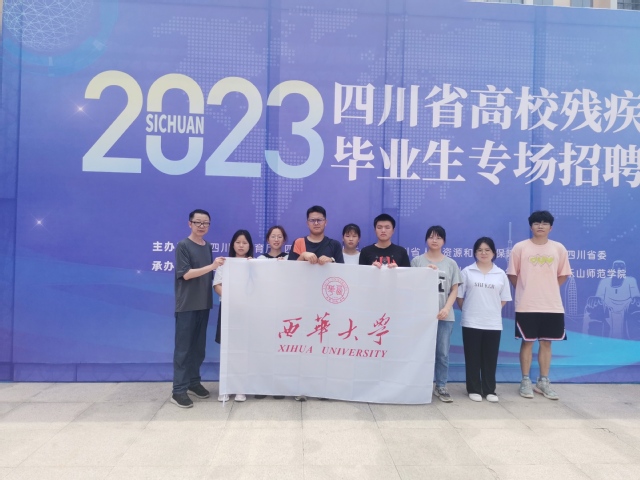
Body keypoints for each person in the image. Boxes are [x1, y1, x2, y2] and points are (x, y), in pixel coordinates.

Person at [507, 210, 571, 401]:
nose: (540, 226)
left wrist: (548, 288)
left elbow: (563, 274)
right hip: (527, 305)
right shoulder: (520, 248)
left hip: (551, 305)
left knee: (546, 342)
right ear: (531, 226)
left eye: (544, 223)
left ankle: (543, 381)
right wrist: (526, 290)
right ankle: (525, 381)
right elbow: (512, 274)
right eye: (536, 223)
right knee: (527, 342)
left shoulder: (558, 248)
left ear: (551, 227)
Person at [289, 206, 344, 401]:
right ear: (307, 223)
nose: (316, 223)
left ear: (326, 222)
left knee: (325, 346)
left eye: (319, 220)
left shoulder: (334, 244)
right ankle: (301, 388)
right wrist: (302, 256)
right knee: (302, 347)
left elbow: (343, 273)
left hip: (326, 305)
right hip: (302, 303)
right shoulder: (299, 243)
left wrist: (331, 261)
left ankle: (324, 388)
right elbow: (288, 272)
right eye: (312, 220)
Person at [171, 209, 225, 409]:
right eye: (198, 222)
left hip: (204, 304)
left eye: (205, 223)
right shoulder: (183, 245)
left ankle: (193, 382)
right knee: (183, 349)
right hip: (187, 305)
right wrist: (212, 266)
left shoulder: (207, 246)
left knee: (198, 348)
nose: (202, 226)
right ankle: (178, 390)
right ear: (190, 224)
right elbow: (186, 274)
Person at [457, 237, 511, 403]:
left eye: (487, 250)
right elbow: (459, 296)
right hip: (471, 321)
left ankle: (489, 390)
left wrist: (491, 310)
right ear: (475, 253)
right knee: (472, 357)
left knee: (490, 358)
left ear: (494, 253)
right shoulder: (467, 272)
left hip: (492, 323)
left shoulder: (500, 274)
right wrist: (469, 310)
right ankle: (473, 389)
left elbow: (504, 298)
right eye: (480, 250)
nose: (483, 253)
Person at [411, 225, 461, 402]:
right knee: (420, 352)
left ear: (444, 241)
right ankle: (419, 384)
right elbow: (412, 286)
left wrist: (446, 308)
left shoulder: (451, 264)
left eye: (438, 237)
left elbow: (454, 289)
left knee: (442, 353)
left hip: (444, 316)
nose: (434, 240)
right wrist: (426, 273)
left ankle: (441, 386)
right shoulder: (417, 261)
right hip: (422, 316)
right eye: (431, 237)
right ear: (426, 239)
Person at [213, 229, 254, 402]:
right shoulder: (225, 263)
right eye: (238, 242)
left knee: (243, 350)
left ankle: (240, 388)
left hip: (246, 311)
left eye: (245, 242)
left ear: (250, 245)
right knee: (227, 349)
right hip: (228, 309)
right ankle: (225, 387)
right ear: (233, 245)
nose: (241, 245)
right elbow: (217, 285)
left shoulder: (254, 264)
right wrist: (233, 298)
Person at [255, 226, 287, 399]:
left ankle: (279, 386)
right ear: (267, 239)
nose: (276, 239)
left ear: (284, 239)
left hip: (283, 310)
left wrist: (285, 267)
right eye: (273, 236)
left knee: (281, 349)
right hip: (264, 309)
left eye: (279, 236)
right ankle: (262, 386)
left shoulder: (289, 259)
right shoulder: (260, 259)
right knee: (264, 347)